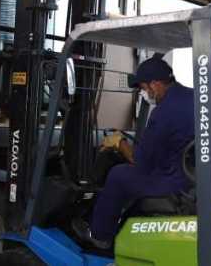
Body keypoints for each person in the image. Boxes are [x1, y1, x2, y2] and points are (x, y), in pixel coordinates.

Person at [73, 57, 194, 248]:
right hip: (191, 176)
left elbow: (139, 160)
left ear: (155, 84)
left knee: (118, 175)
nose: (146, 93)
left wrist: (118, 142)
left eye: (144, 88)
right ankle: (122, 220)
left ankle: (100, 236)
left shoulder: (163, 113)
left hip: (172, 181)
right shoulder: (194, 97)